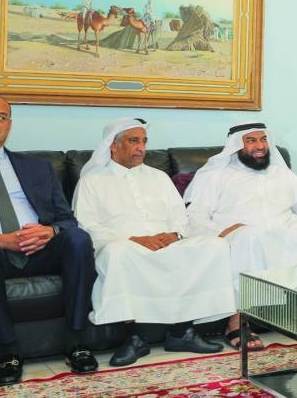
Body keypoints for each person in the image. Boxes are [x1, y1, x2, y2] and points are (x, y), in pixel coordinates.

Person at [0, 94, 98, 386]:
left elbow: (66, 218)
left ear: (9, 125)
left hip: (41, 247)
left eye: (1, 117)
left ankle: (78, 343)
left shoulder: (37, 166)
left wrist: (50, 232)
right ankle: (9, 352)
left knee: (76, 237)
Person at [184, 122, 297, 351]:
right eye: (251, 141)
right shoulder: (216, 175)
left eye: (263, 140)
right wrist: (219, 232)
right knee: (251, 236)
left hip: (284, 228)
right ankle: (236, 321)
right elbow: (195, 214)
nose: (259, 146)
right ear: (237, 145)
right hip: (239, 234)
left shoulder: (280, 173)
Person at [73, 118, 234, 366]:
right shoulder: (91, 181)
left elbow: (181, 219)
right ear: (113, 146)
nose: (141, 148)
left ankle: (183, 332)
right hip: (124, 245)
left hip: (167, 243)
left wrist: (174, 235)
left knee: (216, 246)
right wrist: (134, 239)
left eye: (144, 142)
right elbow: (86, 227)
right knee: (118, 253)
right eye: (133, 141)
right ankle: (136, 339)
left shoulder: (159, 177)